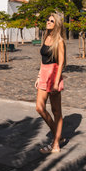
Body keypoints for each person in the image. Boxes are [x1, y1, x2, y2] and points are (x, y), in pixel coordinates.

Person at [35, 12, 66, 154]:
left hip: (53, 75)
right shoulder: (45, 36)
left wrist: (55, 82)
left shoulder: (59, 41)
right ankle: (58, 135)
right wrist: (39, 76)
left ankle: (55, 145)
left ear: (57, 24)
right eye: (47, 20)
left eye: (51, 21)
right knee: (39, 108)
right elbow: (42, 60)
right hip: (44, 75)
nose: (48, 22)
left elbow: (61, 64)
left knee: (56, 111)